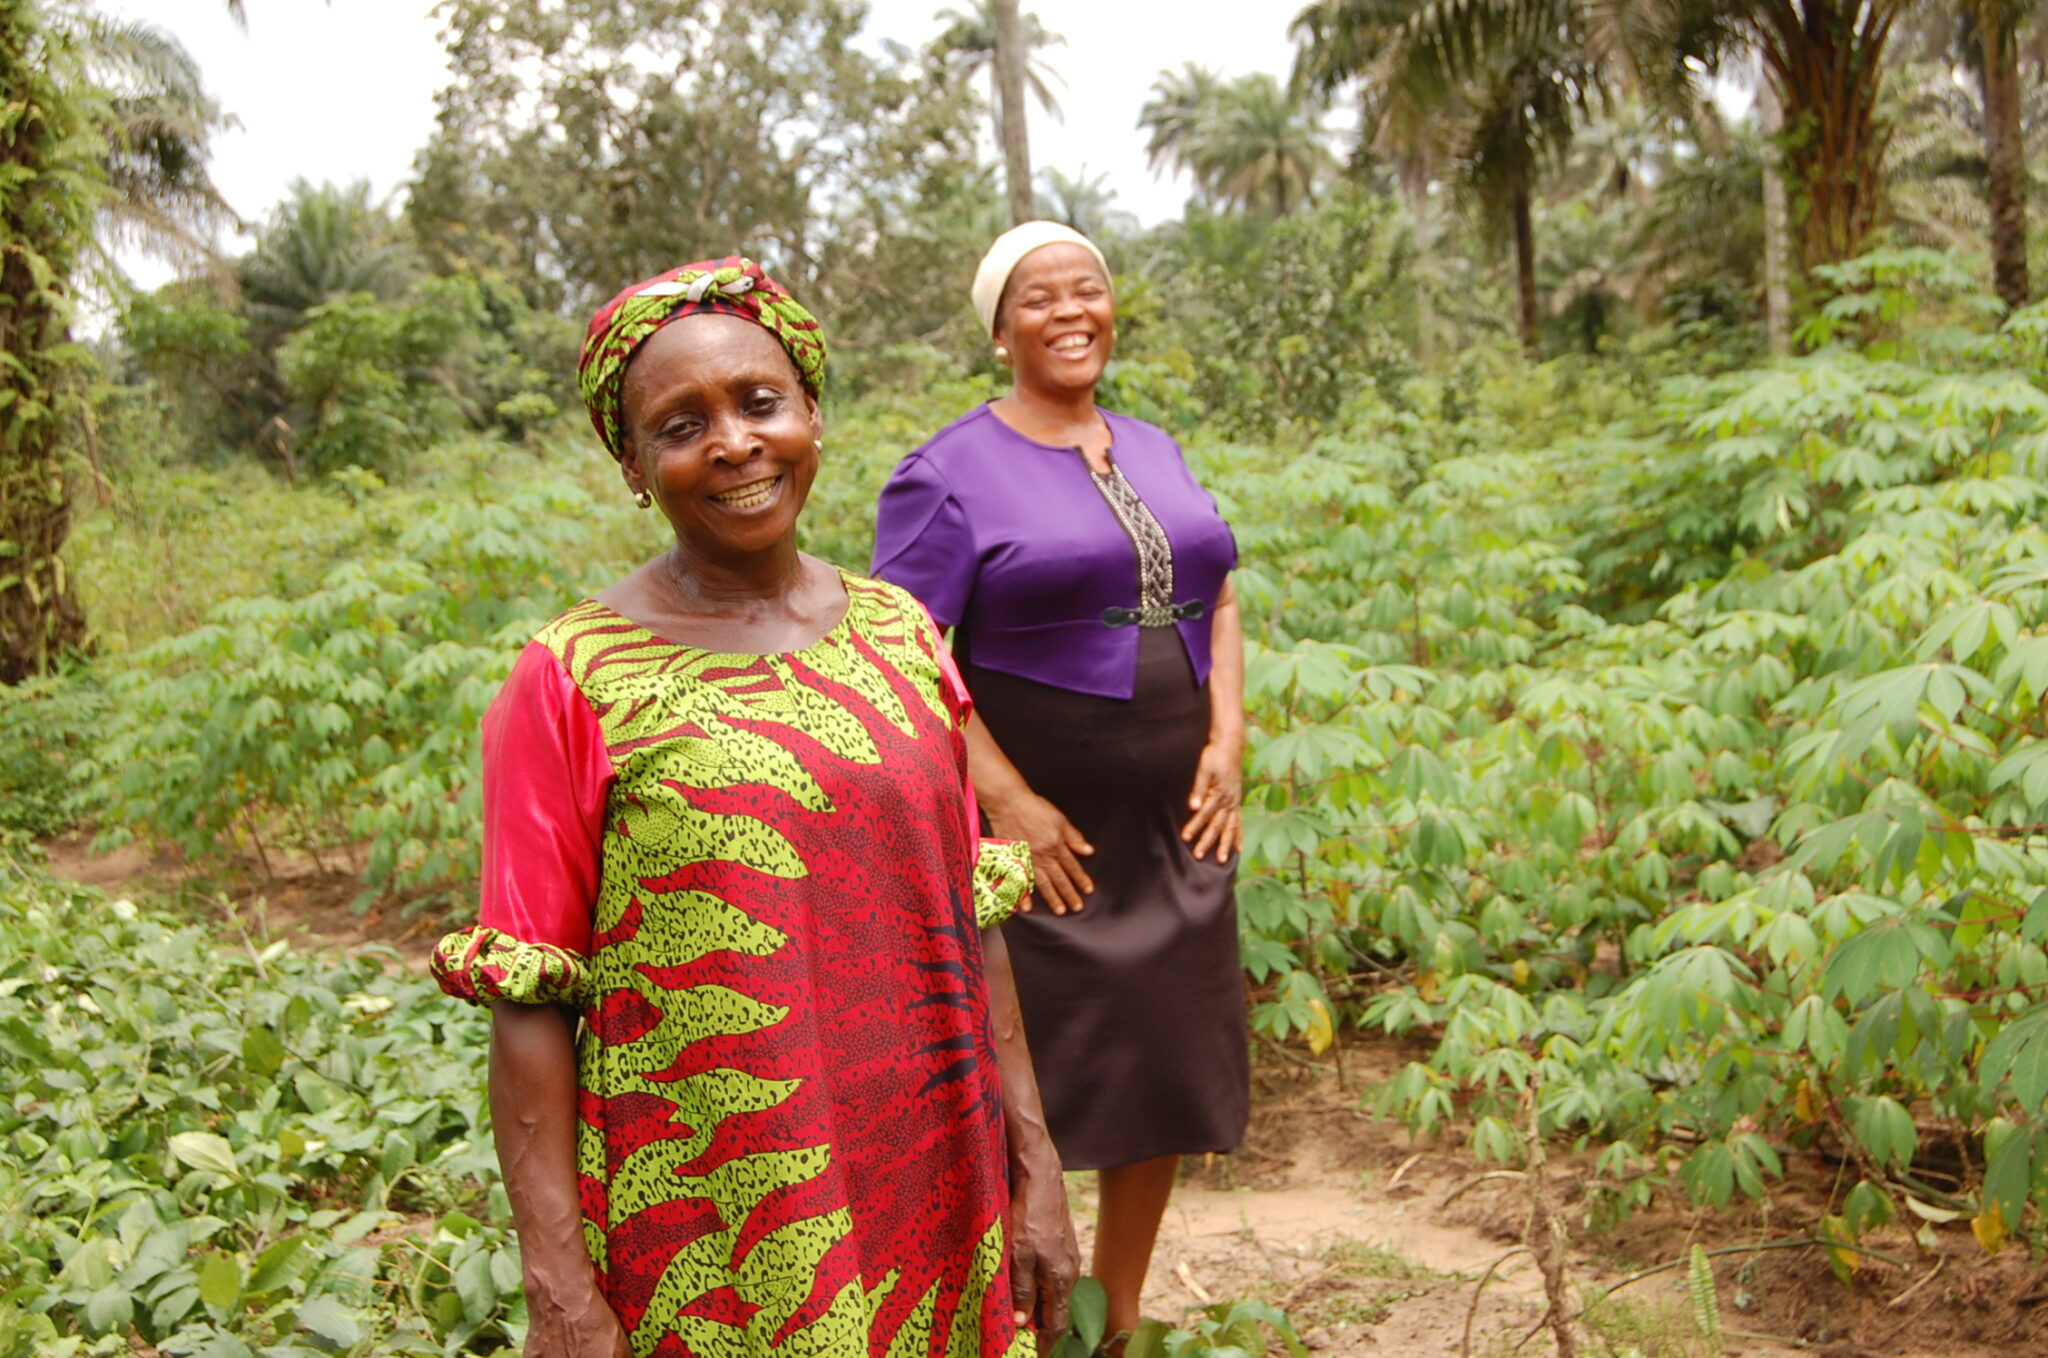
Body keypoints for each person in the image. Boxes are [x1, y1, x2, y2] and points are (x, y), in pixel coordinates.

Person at [431, 257, 1078, 1358]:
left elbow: (969, 917)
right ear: (633, 466)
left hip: (934, 1171)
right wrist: (557, 1277)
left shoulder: (902, 634)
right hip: (716, 1218)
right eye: (680, 425)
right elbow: (527, 1004)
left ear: (812, 416)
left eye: (758, 402)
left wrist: (1035, 1155)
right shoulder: (572, 676)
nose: (731, 442)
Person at [870, 223, 1250, 1342]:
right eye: (1039, 297)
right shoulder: (943, 473)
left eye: (1088, 288)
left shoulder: (1153, 444)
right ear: (999, 332)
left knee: (1163, 1065)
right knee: (1011, 1078)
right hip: (1038, 836)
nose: (1070, 309)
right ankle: (1007, 1303)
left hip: (1174, 819)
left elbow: (1217, 594)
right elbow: (905, 648)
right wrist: (1005, 800)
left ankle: (1116, 1319)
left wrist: (1227, 734)